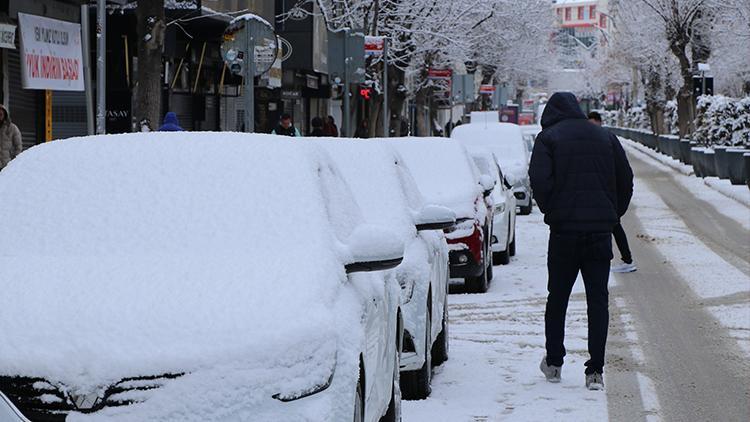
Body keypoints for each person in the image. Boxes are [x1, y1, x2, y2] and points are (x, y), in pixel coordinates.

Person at [529, 93, 633, 391]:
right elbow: (625, 179)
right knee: (597, 300)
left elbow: (539, 181)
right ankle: (595, 370)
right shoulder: (606, 137)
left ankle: (554, 362)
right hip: (600, 234)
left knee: (558, 298)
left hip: (564, 233)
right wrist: (612, 215)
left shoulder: (548, 139)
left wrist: (554, 211)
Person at [588, 111, 637, 273]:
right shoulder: (599, 140)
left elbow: (622, 171)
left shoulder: (607, 139)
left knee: (612, 226)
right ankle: (624, 259)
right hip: (605, 194)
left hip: (610, 194)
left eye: (593, 123)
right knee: (612, 226)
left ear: (599, 122)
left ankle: (626, 259)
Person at [0, 105, 23, 172]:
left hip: (6, 165)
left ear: (5, 115)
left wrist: (13, 161)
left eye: (1, 114)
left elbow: (18, 146)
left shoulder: (12, 128)